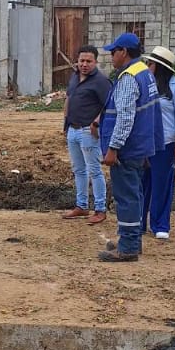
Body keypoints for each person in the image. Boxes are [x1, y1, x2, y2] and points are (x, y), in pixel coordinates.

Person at [96, 32, 163, 263]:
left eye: (113, 52)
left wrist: (113, 148)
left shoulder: (128, 78)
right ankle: (131, 240)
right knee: (135, 194)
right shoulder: (145, 73)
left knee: (126, 197)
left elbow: (125, 118)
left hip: (127, 149)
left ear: (123, 52)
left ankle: (128, 247)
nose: (111, 56)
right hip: (140, 146)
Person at [142, 45, 175, 242]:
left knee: (162, 184)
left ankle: (160, 224)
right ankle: (139, 222)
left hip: (166, 143)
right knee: (143, 183)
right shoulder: (147, 86)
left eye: (150, 63)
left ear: (159, 67)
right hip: (146, 143)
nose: (147, 66)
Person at [61, 45, 112, 225]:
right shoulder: (74, 77)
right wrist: (65, 123)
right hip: (73, 130)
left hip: (88, 131)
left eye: (88, 61)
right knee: (78, 170)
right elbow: (69, 98)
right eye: (81, 60)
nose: (84, 64)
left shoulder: (101, 82)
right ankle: (81, 205)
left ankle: (100, 209)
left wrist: (96, 123)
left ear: (95, 62)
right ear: (77, 61)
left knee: (94, 170)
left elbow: (108, 106)